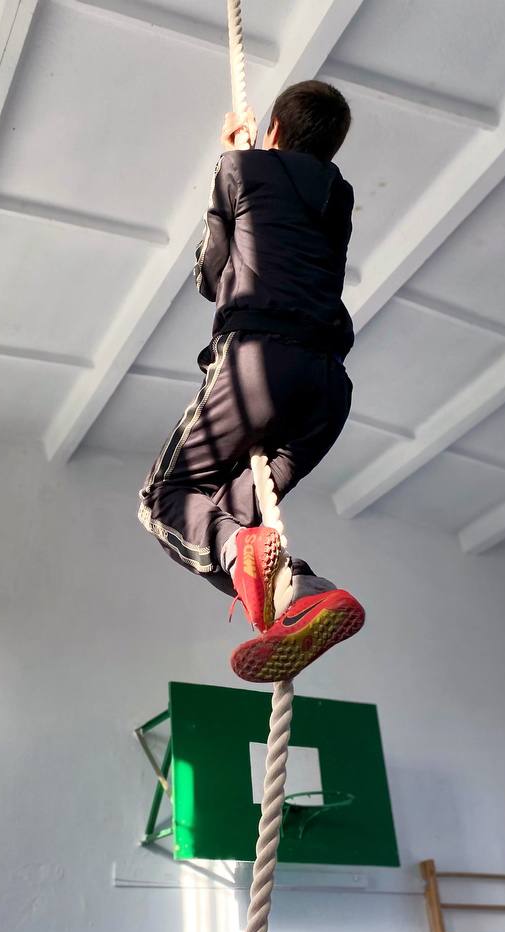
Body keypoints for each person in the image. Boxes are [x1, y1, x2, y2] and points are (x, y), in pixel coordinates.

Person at [138, 80, 365, 683]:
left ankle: (243, 555)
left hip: (260, 363)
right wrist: (252, 157)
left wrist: (235, 158)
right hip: (327, 387)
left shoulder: (241, 168)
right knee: (230, 512)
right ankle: (304, 593)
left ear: (275, 129)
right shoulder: (338, 195)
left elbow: (211, 274)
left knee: (165, 497)